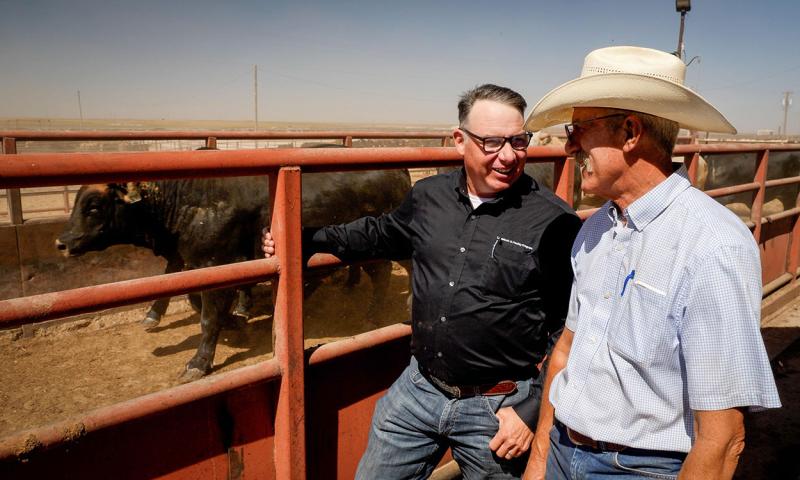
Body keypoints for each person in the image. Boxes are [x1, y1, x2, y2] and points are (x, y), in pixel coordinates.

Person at [263, 84, 581, 478]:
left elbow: (569, 327)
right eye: (493, 142)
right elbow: (379, 233)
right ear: (460, 140)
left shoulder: (554, 222)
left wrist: (529, 412)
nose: (509, 156)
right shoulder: (428, 196)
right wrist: (304, 237)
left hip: (498, 409)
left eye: (519, 141)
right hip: (419, 388)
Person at [520, 46, 782, 480]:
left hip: (638, 468)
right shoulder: (595, 230)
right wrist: (540, 458)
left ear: (630, 131)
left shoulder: (711, 245)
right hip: (563, 452)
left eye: (578, 129)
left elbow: (722, 439)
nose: (568, 146)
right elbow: (566, 351)